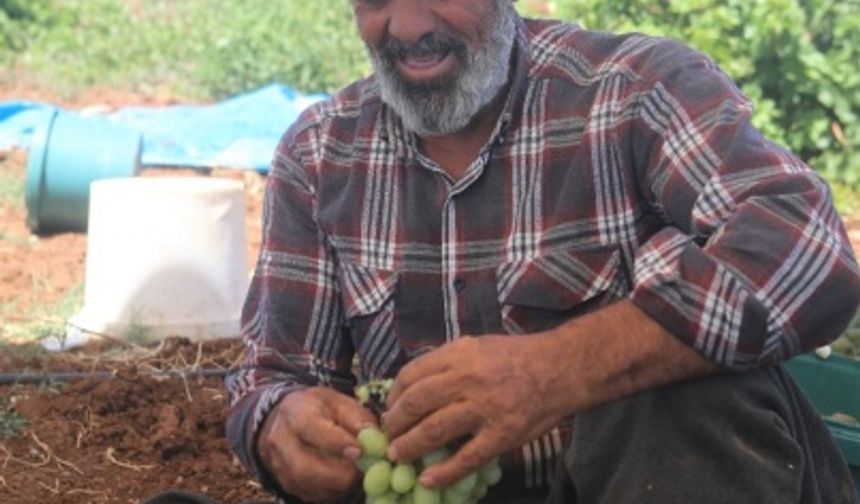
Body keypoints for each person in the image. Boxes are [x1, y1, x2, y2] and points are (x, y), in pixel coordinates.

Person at [226, 1, 860, 502]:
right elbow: (270, 374)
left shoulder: (633, 93)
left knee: (681, 390)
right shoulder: (320, 152)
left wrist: (563, 367)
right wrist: (278, 423)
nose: (409, 25)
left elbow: (805, 245)